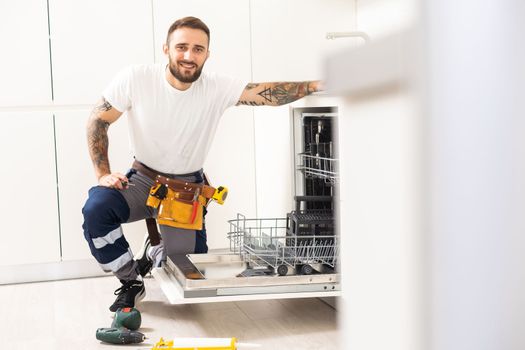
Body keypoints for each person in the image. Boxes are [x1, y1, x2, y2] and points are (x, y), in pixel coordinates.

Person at [82, 16, 322, 312]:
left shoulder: (216, 87)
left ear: (207, 54)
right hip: (142, 181)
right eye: (181, 47)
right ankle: (130, 280)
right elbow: (98, 119)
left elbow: (265, 94)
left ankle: (158, 250)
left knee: (187, 279)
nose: (188, 56)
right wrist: (103, 174)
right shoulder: (136, 78)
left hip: (185, 190)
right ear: (166, 49)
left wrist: (316, 84)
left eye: (198, 49)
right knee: (96, 209)